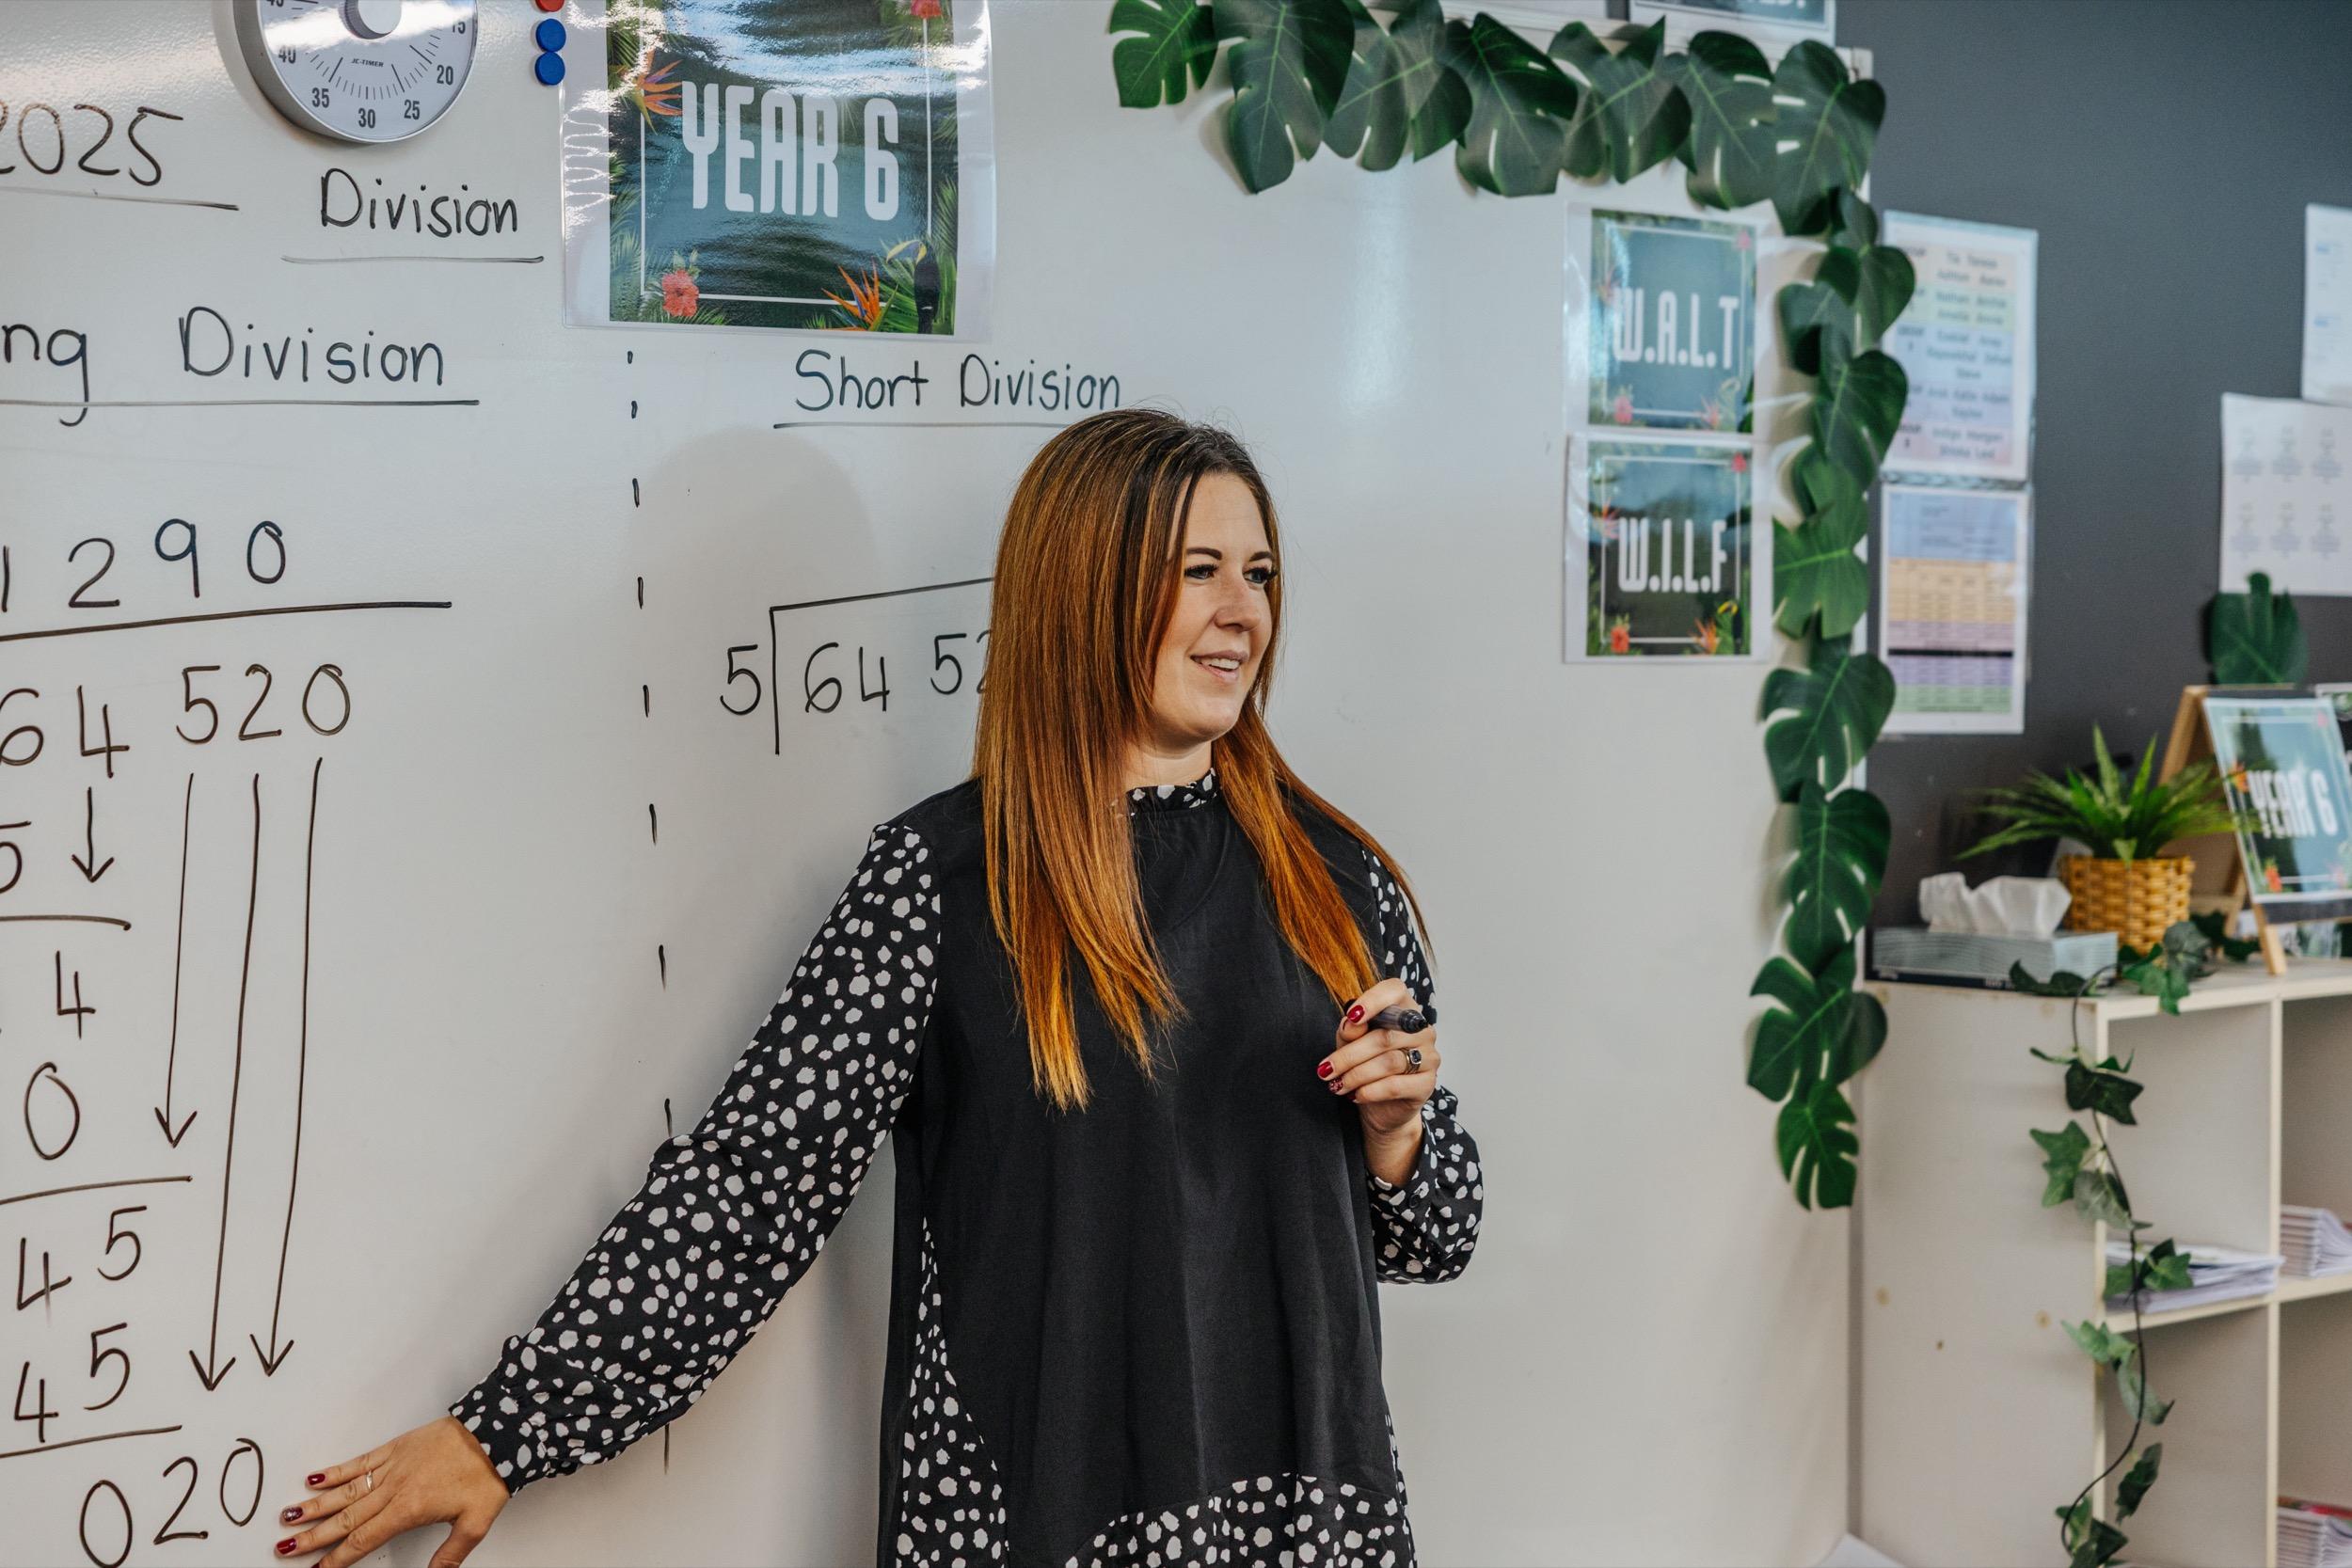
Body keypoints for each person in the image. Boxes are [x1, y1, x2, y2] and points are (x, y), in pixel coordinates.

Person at [273, 409, 1485, 1568]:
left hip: (1312, 1524)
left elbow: (1437, 1235)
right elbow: (754, 1186)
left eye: (1259, 574)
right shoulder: (944, 885)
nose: (1241, 612)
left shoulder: (1340, 879)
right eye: (1197, 571)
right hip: (1038, 1520)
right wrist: (506, 1430)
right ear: (1082, 592)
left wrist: (1398, 1135)